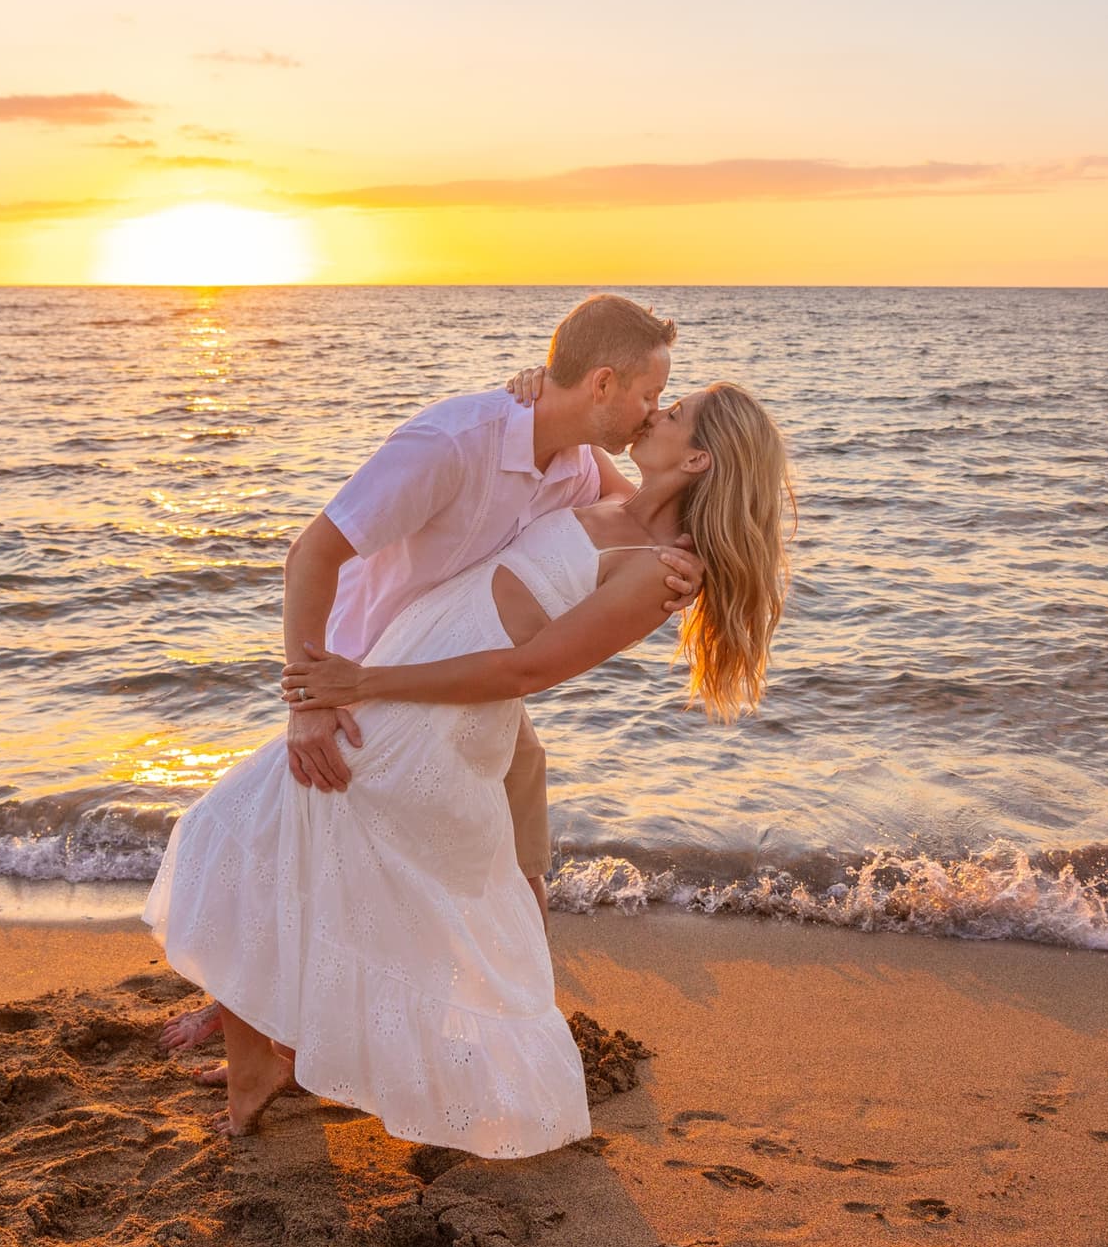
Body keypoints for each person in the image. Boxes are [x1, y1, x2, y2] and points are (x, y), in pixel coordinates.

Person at [141, 381, 793, 1154]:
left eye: (674, 412)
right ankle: (275, 1051)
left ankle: (265, 1064)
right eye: (657, 396)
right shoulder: (612, 494)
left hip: (433, 715)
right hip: (404, 682)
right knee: (295, 852)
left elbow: (526, 670)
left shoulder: (661, 571)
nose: (656, 412)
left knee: (240, 835)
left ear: (697, 460)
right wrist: (537, 383)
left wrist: (367, 680)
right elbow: (566, 419)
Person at [156, 295, 702, 1082]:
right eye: (651, 394)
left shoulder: (578, 461)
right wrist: (308, 705)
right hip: (369, 667)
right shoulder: (453, 442)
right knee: (300, 835)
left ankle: (511, 1024)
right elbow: (310, 555)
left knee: (510, 868)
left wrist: (695, 566)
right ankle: (266, 1015)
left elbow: (642, 512)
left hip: (468, 689)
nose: (654, 411)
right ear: (605, 384)